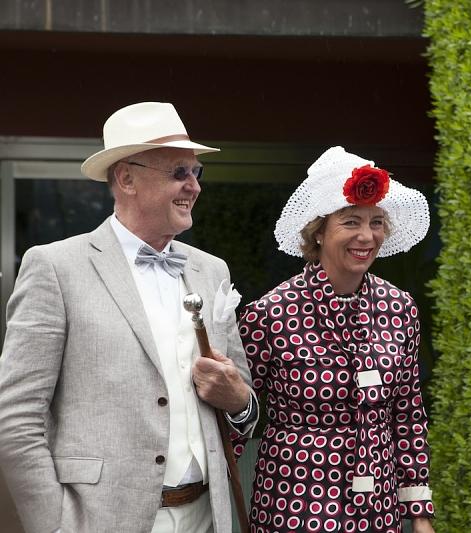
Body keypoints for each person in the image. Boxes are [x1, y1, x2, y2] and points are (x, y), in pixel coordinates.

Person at [0, 102, 258, 533]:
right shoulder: (55, 266)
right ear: (126, 177)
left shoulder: (211, 270)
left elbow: (244, 404)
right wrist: (55, 524)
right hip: (101, 520)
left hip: (205, 517)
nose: (194, 186)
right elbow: (15, 415)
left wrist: (238, 399)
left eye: (198, 173)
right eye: (179, 172)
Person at [235, 146, 436, 533]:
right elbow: (237, 420)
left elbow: (407, 416)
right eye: (351, 222)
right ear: (319, 230)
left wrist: (421, 516)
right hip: (294, 504)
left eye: (377, 222)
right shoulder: (271, 313)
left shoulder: (400, 307)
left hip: (379, 512)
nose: (367, 236)